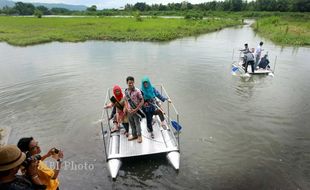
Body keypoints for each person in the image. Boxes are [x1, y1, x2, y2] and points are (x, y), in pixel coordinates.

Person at [124, 76, 144, 143]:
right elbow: (126, 101)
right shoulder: (126, 91)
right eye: (129, 83)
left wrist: (136, 109)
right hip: (129, 111)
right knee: (131, 123)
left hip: (136, 111)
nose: (131, 84)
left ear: (134, 82)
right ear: (127, 83)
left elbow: (142, 101)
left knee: (137, 123)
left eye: (132, 83)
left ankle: (139, 136)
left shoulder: (137, 91)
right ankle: (134, 135)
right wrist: (127, 108)